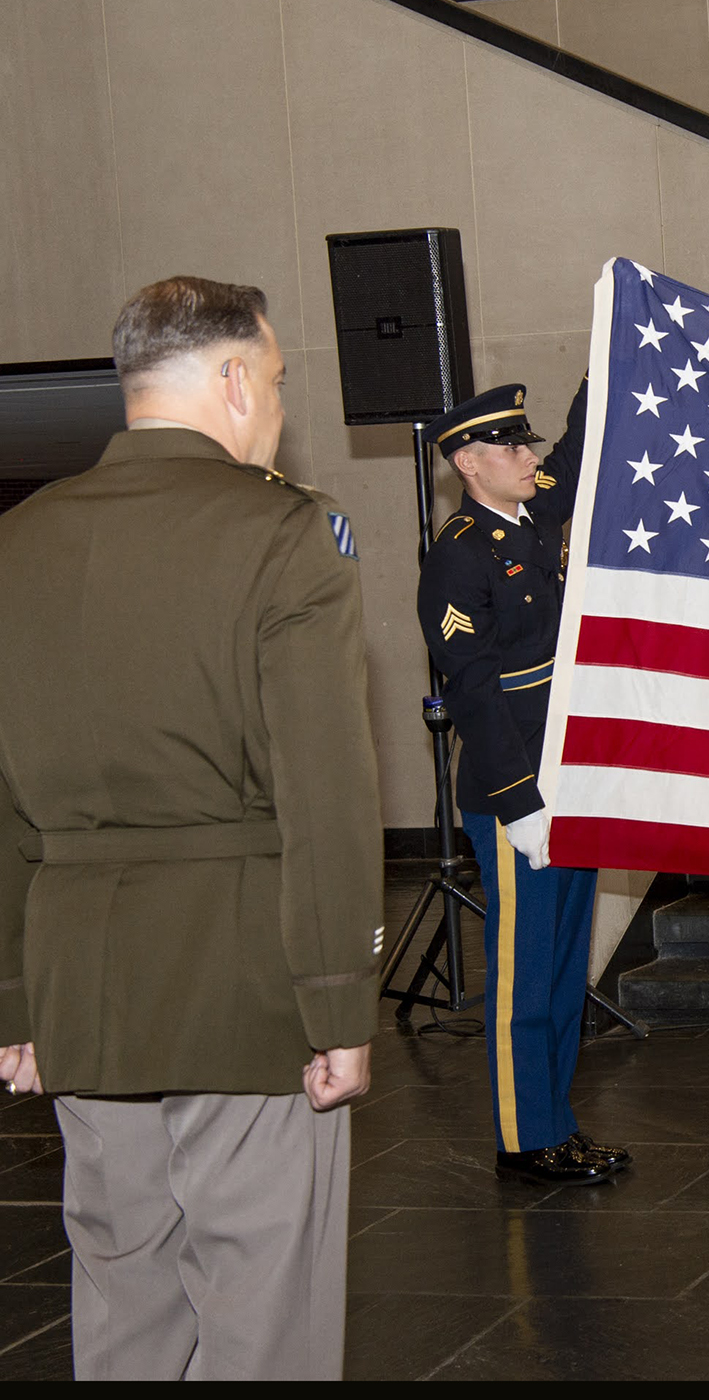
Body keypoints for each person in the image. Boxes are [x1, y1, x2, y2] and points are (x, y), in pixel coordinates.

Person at [0, 276, 384, 1377]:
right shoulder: (282, 534)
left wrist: (15, 995)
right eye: (270, 378)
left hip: (77, 970)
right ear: (227, 378)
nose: (272, 403)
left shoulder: (17, 542)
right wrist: (336, 999)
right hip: (245, 974)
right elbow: (326, 789)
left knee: (121, 1290)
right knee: (265, 1299)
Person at [415, 381, 629, 1187]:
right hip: (520, 796)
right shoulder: (461, 554)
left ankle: (557, 1122)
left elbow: (574, 455)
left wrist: (606, 362)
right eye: (514, 448)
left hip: (568, 781)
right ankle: (523, 1136)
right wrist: (519, 800)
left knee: (566, 965)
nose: (531, 458)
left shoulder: (533, 515)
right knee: (524, 970)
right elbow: (471, 686)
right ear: (471, 463)